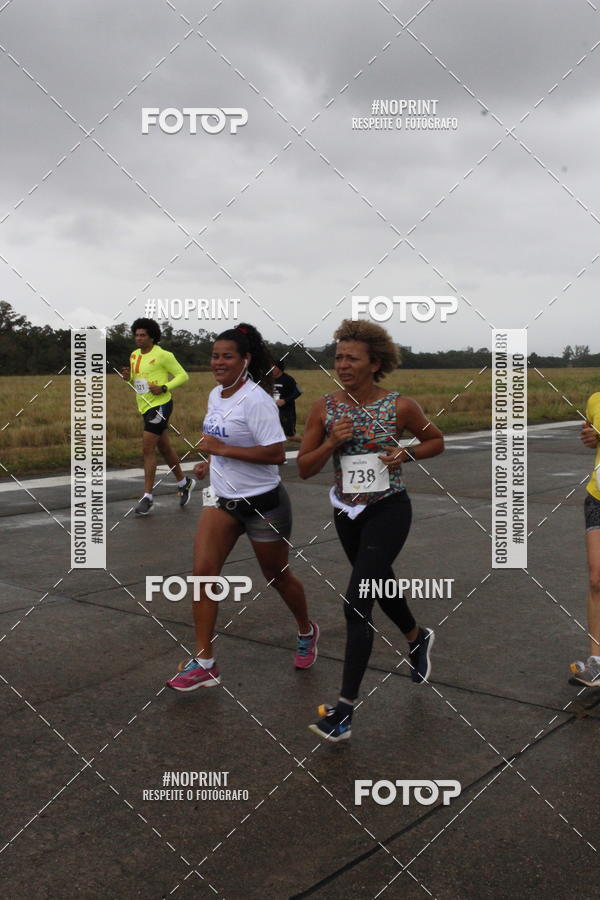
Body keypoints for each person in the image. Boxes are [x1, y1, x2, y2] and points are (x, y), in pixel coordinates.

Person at [297, 319, 444, 741]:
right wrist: (330, 444)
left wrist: (406, 453)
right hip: (346, 511)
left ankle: (343, 712)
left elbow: (436, 441)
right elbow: (304, 468)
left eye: (351, 358)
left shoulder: (399, 406)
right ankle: (417, 637)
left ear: (374, 362)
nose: (342, 364)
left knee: (356, 602)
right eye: (338, 356)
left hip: (388, 508)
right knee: (377, 583)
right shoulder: (324, 408)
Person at [166, 323, 318, 692]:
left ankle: (306, 629)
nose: (218, 362)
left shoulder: (256, 400)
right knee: (203, 574)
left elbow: (276, 454)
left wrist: (220, 451)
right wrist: (211, 463)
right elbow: (219, 440)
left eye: (227, 356)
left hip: (264, 504)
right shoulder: (216, 396)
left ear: (245, 360)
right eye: (215, 356)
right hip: (222, 500)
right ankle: (205, 662)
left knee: (276, 576)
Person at [120, 318, 193, 515]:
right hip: (145, 407)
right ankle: (184, 482)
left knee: (147, 448)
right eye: (136, 335)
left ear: (152, 336)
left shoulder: (163, 355)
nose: (139, 338)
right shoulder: (134, 355)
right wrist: (128, 378)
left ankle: (147, 497)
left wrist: (163, 387)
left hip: (161, 405)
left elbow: (183, 375)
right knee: (165, 448)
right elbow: (136, 382)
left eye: (143, 335)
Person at [570, 408, 600, 686]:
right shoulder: (596, 399)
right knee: (596, 579)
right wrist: (590, 437)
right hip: (598, 499)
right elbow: (590, 435)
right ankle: (597, 662)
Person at [272, 360, 302, 443]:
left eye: (273, 367)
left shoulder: (288, 379)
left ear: (279, 368)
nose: (271, 369)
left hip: (287, 412)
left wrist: (285, 400)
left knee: (290, 436)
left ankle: (310, 444)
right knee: (273, 435)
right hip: (273, 411)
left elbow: (299, 391)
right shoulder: (269, 379)